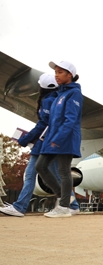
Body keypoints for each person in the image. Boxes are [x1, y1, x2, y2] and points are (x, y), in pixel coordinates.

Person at [0, 74, 80, 217]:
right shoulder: (58, 98)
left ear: (42, 86)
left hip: (44, 143)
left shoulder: (48, 100)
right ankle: (72, 204)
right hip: (54, 141)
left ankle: (20, 206)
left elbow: (43, 125)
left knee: (31, 174)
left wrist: (25, 139)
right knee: (58, 174)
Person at [34, 61, 84, 218]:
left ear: (70, 75)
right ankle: (64, 198)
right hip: (53, 138)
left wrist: (59, 138)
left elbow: (71, 119)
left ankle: (63, 207)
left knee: (63, 170)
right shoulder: (60, 94)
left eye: (60, 72)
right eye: (55, 72)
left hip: (65, 138)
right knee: (40, 166)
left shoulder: (74, 93)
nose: (56, 75)